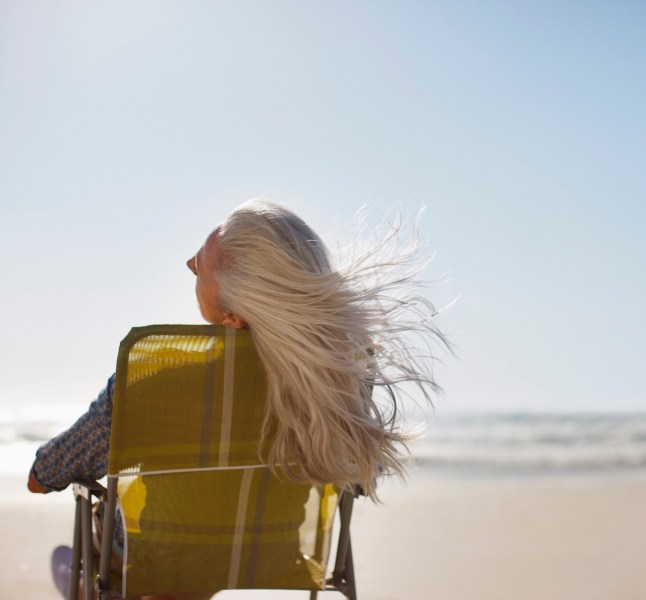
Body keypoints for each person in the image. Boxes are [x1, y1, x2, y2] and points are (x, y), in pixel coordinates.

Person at [28, 199, 450, 598]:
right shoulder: (334, 386)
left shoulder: (155, 380)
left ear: (232, 315)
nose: (190, 264)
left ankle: (86, 589)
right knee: (210, 539)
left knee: (133, 535)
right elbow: (360, 479)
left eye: (203, 265)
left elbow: (46, 473)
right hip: (269, 554)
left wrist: (44, 474)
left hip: (152, 557)